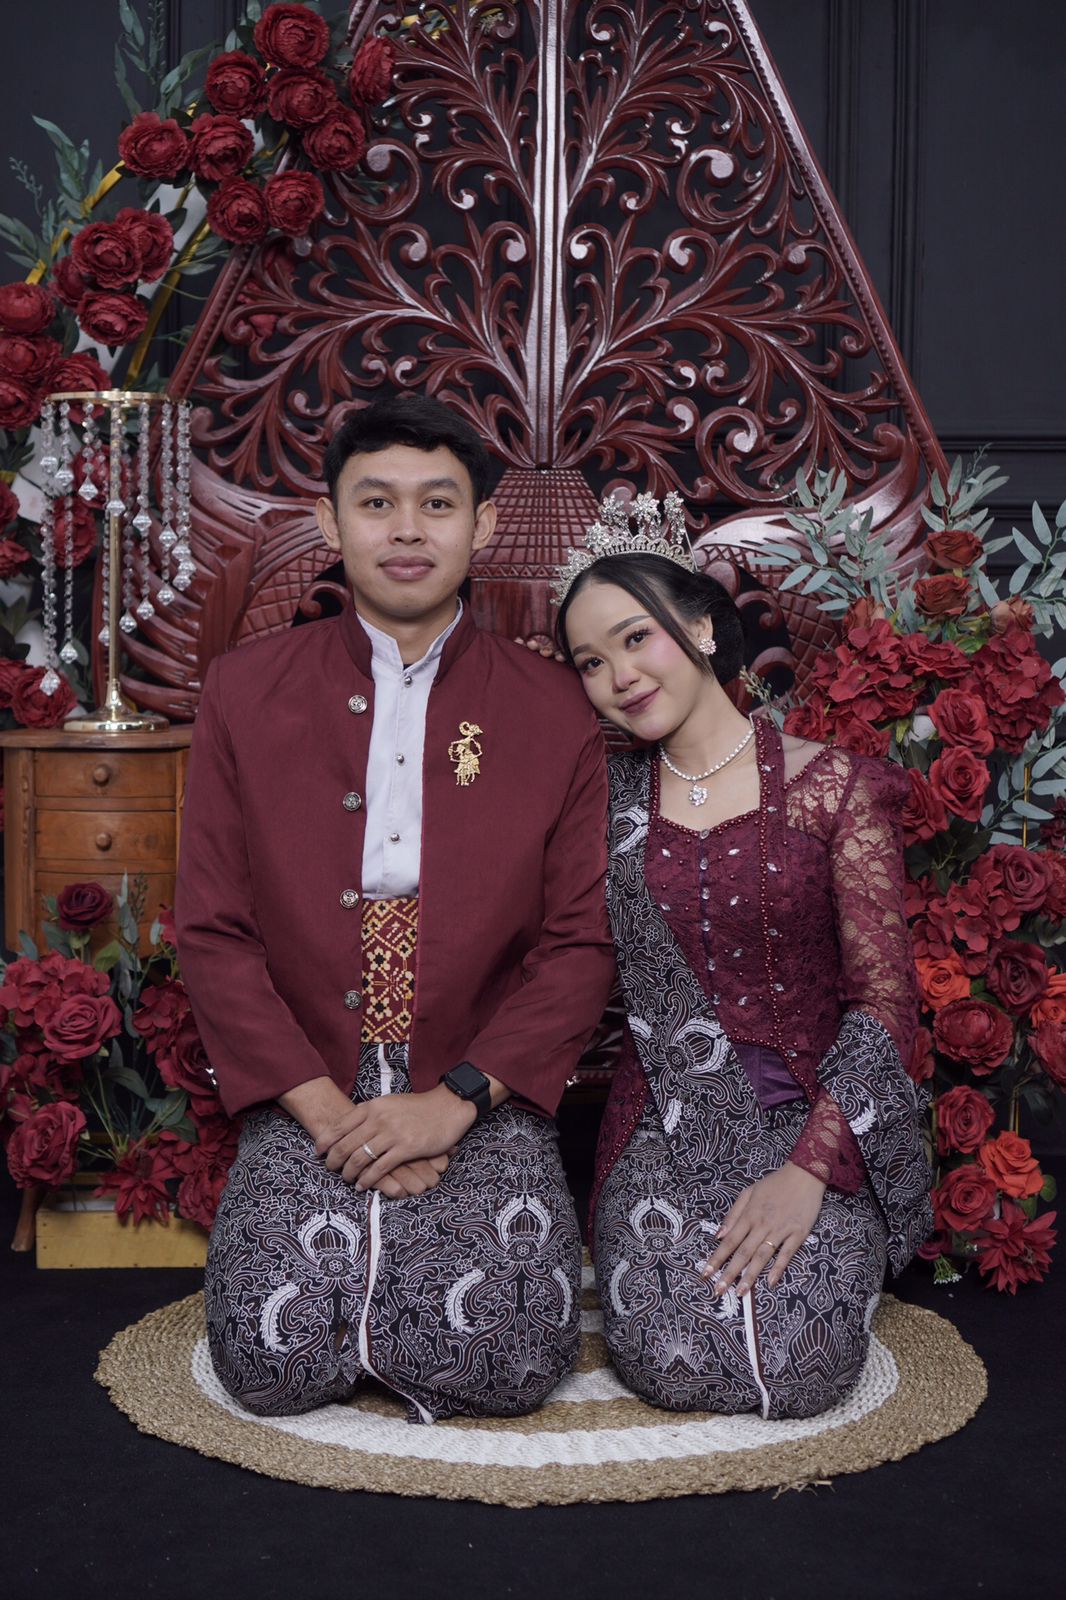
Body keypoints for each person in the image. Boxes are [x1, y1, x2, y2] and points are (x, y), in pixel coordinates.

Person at [176, 393, 614, 1423]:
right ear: (329, 523)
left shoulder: (553, 705)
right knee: (268, 1360)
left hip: (478, 1069)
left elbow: (578, 945)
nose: (407, 530)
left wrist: (448, 1104)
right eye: (376, 503)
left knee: (509, 1357)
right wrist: (331, 1117)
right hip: (306, 1067)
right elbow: (212, 929)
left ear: (484, 525)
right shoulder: (244, 689)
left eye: (437, 503)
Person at [554, 492, 931, 1420]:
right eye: (591, 662)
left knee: (801, 1363)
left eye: (635, 639)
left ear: (697, 626)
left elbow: (886, 1003)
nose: (618, 677)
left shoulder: (829, 786)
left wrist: (810, 1171)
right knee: (676, 1358)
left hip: (816, 1119)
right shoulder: (599, 805)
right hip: (662, 1122)